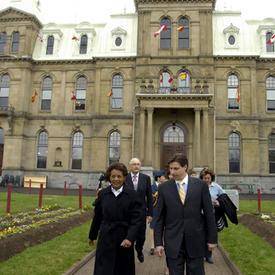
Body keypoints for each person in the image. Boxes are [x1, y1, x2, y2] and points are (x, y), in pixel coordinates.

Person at [154, 154, 217, 275]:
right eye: (170, 168)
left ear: (185, 167)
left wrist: (212, 239)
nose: (172, 172)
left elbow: (209, 214)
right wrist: (158, 243)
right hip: (173, 241)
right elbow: (160, 217)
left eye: (176, 168)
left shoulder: (200, 185)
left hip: (196, 240)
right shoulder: (164, 188)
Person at [89, 162, 143, 275]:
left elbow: (137, 219)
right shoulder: (103, 194)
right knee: (104, 269)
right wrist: (92, 235)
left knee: (122, 269)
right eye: (113, 176)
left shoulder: (132, 195)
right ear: (109, 177)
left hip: (124, 239)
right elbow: (98, 216)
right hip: (106, 238)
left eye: (119, 176)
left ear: (124, 178)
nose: (116, 179)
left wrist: (130, 238)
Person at [125, 157, 153, 263]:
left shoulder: (145, 178)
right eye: (134, 164)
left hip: (141, 212)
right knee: (128, 234)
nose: (136, 166)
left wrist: (150, 213)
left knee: (141, 236)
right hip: (128, 212)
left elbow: (149, 197)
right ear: (130, 166)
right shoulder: (125, 178)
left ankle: (139, 249)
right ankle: (128, 256)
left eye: (138, 164)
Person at [200, 168, 225, 264]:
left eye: (208, 178)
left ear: (211, 178)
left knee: (210, 234)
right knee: (201, 234)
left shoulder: (216, 187)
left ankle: (209, 256)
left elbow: (224, 197)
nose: (206, 180)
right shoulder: (199, 186)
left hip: (212, 215)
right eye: (204, 178)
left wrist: (219, 202)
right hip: (200, 215)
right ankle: (201, 254)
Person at [149, 170, 166, 255]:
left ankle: (161, 244)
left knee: (162, 228)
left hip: (163, 210)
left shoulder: (166, 186)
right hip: (154, 210)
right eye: (163, 176)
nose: (164, 178)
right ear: (159, 178)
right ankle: (152, 246)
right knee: (152, 228)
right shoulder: (152, 188)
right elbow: (149, 200)